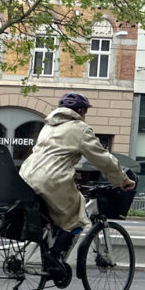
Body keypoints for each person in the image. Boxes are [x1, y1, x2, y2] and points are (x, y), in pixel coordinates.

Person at [18, 92, 136, 264]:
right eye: (85, 112)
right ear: (80, 111)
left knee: (55, 214)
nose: (85, 116)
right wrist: (122, 179)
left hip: (26, 176)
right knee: (78, 217)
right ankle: (54, 257)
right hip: (51, 179)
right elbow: (101, 157)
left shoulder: (48, 127)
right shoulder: (80, 129)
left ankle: (50, 247)